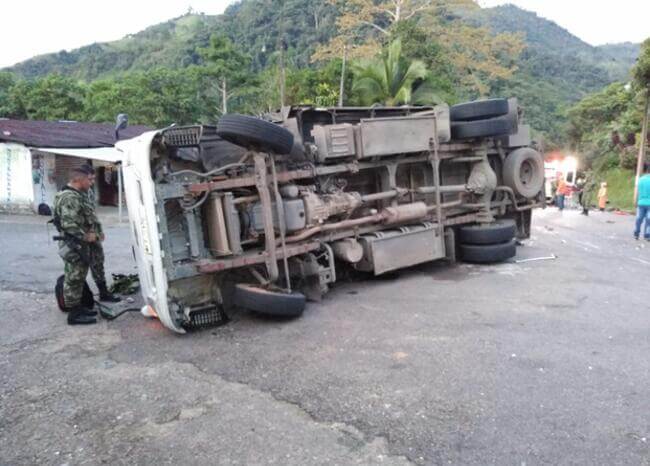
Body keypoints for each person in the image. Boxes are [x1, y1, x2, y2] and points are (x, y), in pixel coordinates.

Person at [53, 165, 120, 326]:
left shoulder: (81, 193)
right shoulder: (69, 197)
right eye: (89, 179)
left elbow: (88, 216)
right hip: (76, 244)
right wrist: (86, 236)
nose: (92, 182)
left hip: (87, 242)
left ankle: (87, 302)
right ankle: (74, 314)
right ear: (78, 179)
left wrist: (96, 233)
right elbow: (69, 225)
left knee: (88, 269)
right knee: (74, 278)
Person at [634, 167, 650, 240]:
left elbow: (637, 191)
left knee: (639, 219)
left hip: (641, 202)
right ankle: (647, 235)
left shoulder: (641, 179)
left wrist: (635, 201)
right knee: (649, 220)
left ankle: (636, 233)